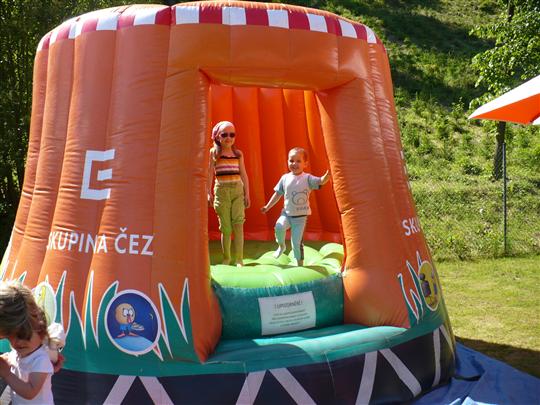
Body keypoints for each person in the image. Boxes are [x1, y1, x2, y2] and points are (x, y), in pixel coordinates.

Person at [261, 147, 330, 266]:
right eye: (291, 161)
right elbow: (277, 194)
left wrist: (328, 174)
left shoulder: (307, 178)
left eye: (298, 161)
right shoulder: (285, 178)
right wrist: (267, 206)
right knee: (279, 227)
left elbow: (321, 181)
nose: (294, 164)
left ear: (305, 164)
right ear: (287, 161)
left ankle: (300, 264)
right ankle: (281, 246)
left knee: (296, 243)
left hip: (300, 218)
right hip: (287, 214)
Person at [0, 281, 65, 404]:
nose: (19, 341)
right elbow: (9, 360)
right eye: (12, 336)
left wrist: (6, 374)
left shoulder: (41, 359)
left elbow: (31, 391)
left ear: (41, 333)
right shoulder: (17, 353)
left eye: (24, 336)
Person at [208, 121, 250, 266]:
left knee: (238, 224)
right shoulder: (214, 153)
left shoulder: (238, 154)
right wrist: (208, 192)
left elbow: (243, 174)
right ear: (217, 137)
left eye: (232, 135)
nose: (228, 138)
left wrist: (247, 193)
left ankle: (239, 259)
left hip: (237, 190)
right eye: (224, 134)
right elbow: (209, 174)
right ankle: (227, 257)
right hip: (222, 191)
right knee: (226, 228)